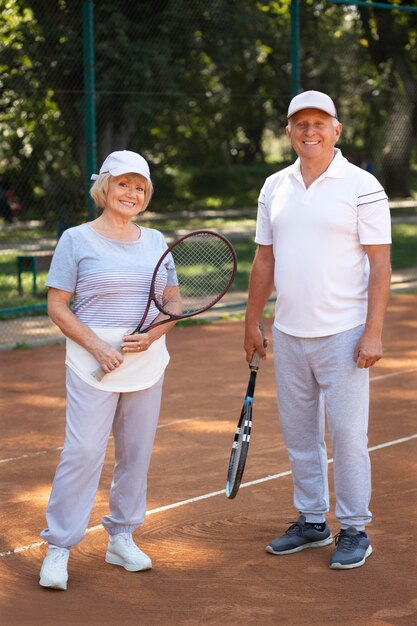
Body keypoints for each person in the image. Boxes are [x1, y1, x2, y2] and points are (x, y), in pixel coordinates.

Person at [244, 91, 391, 570]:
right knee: (301, 436)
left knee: (348, 434)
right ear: (289, 131)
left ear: (336, 130)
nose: (310, 132)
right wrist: (252, 321)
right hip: (288, 334)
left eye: (319, 123)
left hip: (345, 333)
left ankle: (354, 529)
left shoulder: (363, 185)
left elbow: (380, 263)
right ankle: (311, 521)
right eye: (301, 124)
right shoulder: (274, 187)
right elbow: (264, 258)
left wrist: (373, 332)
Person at [39, 150, 180, 590]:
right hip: (90, 359)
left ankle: (121, 537)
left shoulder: (156, 240)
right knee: (82, 452)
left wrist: (154, 334)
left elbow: (173, 303)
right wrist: (98, 346)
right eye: (124, 184)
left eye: (140, 187)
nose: (132, 194)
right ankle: (59, 546)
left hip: (146, 361)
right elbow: (57, 305)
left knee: (136, 451)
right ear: (105, 188)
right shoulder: (76, 239)